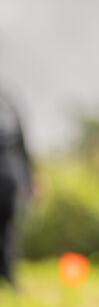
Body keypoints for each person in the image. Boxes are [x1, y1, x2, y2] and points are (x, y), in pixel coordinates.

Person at [0, 89, 34, 286]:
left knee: (8, 232)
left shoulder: (9, 102)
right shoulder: (10, 102)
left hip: (11, 177)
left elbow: (22, 146)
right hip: (12, 174)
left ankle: (8, 277)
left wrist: (30, 179)